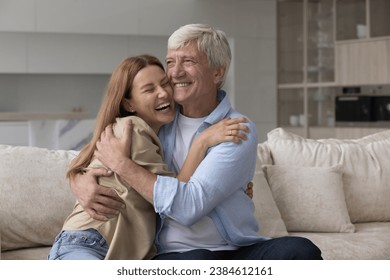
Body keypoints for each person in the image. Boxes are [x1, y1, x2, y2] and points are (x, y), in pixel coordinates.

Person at [71, 24, 323, 260]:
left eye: (188, 61)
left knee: (300, 250)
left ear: (218, 71)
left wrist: (123, 165)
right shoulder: (157, 119)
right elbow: (92, 159)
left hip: (233, 248)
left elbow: (188, 207)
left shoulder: (235, 128)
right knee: (198, 260)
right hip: (172, 253)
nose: (175, 72)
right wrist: (77, 180)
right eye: (171, 62)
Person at [48, 54, 249, 260]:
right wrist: (202, 142)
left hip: (110, 248)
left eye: (165, 84)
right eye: (149, 89)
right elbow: (174, 201)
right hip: (87, 243)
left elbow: (82, 161)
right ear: (129, 104)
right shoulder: (132, 130)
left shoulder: (147, 132)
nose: (163, 93)